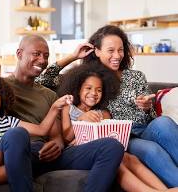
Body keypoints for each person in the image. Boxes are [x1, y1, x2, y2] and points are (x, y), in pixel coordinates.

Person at [0, 35, 124, 192]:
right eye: (36, 54)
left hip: (48, 156)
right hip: (17, 153)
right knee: (16, 134)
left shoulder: (48, 94)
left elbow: (56, 135)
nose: (42, 60)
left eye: (46, 55)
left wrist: (55, 144)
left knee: (112, 146)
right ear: (19, 54)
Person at [36, 25, 178, 187]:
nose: (117, 55)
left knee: (164, 122)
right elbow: (42, 81)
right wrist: (73, 56)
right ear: (97, 51)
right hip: (122, 137)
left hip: (145, 128)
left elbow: (152, 117)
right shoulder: (89, 78)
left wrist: (147, 107)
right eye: (111, 50)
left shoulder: (136, 76)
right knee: (151, 150)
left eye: (121, 50)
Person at [57, 64, 177, 192]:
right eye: (88, 88)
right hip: (83, 151)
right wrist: (81, 118)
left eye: (99, 90)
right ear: (78, 89)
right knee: (118, 162)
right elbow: (66, 137)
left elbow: (109, 130)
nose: (94, 93)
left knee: (130, 158)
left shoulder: (101, 112)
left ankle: (164, 190)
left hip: (105, 147)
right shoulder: (68, 108)